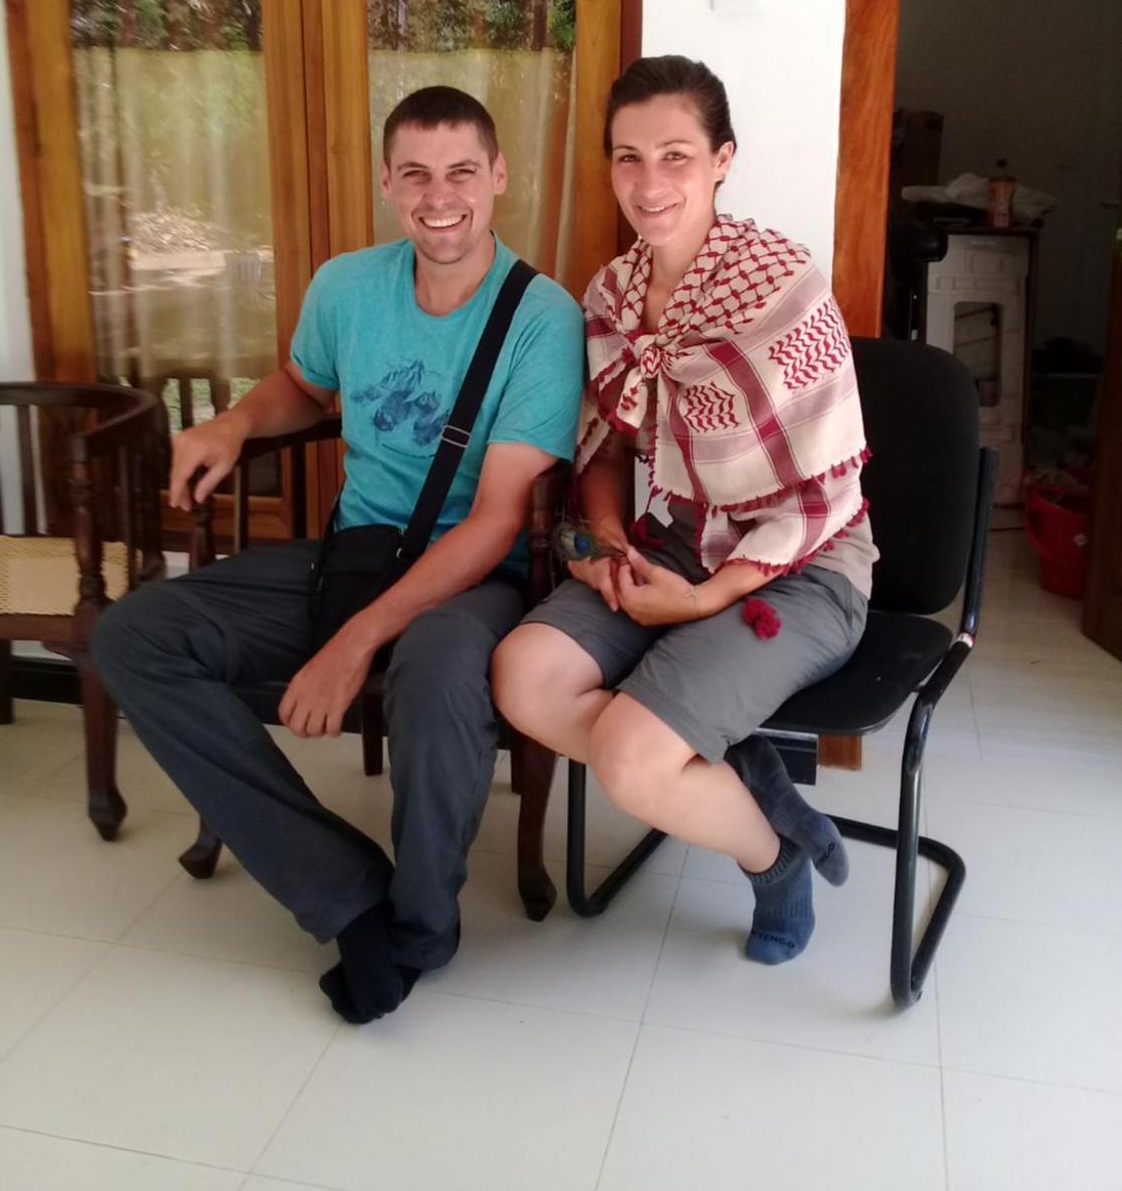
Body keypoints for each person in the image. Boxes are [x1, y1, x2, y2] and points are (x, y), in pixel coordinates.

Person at [93, 86, 584, 1022]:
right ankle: (349, 894)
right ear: (387, 183)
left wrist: (353, 643)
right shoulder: (347, 286)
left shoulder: (541, 317)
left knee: (438, 665)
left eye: (462, 172)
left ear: (499, 177)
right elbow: (301, 385)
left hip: (475, 576)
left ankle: (420, 930)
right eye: (416, 174)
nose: (440, 197)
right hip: (354, 553)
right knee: (135, 636)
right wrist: (236, 423)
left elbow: (494, 523)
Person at [492, 56, 876, 965]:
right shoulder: (611, 297)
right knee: (523, 676)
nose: (649, 182)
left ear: (721, 160)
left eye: (676, 155)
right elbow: (604, 448)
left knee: (629, 759)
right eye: (628, 158)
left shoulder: (782, 284)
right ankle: (751, 774)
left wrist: (703, 600)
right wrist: (607, 541)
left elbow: (825, 497)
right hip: (677, 543)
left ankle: (772, 857)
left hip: (805, 565)